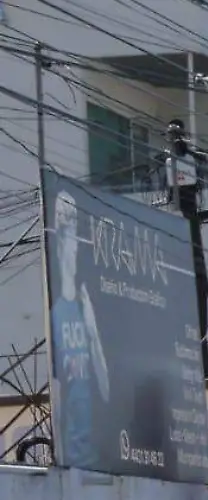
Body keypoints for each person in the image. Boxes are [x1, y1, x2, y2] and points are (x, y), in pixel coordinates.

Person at [48, 189, 109, 470]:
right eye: (69, 242)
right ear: (60, 247)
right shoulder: (56, 314)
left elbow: (106, 390)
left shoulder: (87, 305)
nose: (74, 250)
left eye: (76, 242)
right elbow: (57, 395)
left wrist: (93, 330)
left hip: (100, 456)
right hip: (71, 458)